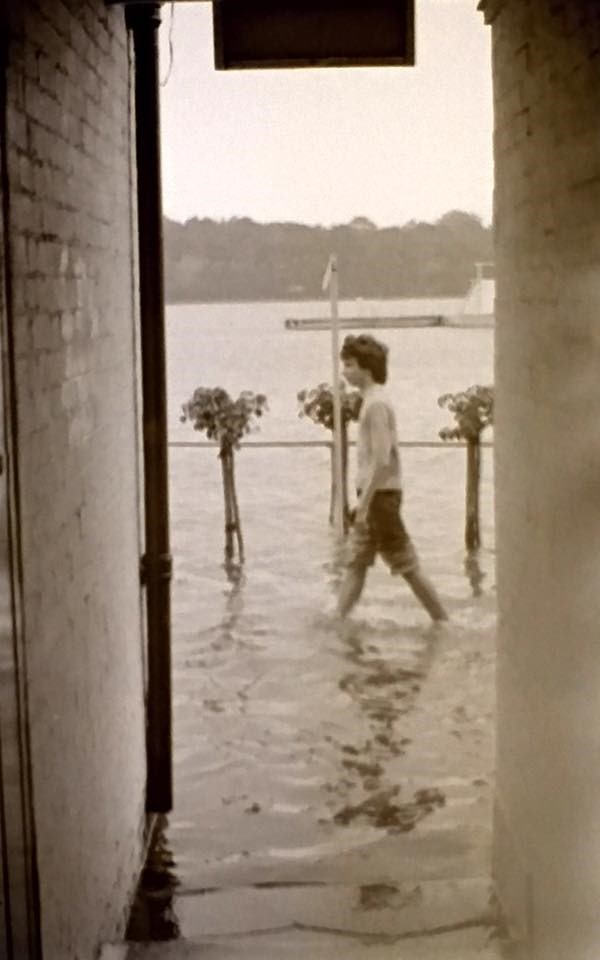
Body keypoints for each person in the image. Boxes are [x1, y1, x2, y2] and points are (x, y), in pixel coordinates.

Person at [336, 334, 448, 623]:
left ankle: (442, 620)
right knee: (357, 561)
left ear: (366, 368)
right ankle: (338, 620)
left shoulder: (375, 405)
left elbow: (383, 460)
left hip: (380, 497)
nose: (344, 372)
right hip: (375, 495)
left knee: (405, 563)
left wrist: (364, 505)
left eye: (349, 365)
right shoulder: (371, 402)